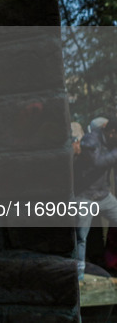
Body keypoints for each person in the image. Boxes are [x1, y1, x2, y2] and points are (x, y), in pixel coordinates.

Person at [74, 117, 117, 280]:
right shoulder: (91, 139)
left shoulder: (112, 143)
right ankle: (78, 274)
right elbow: (97, 162)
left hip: (103, 196)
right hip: (85, 196)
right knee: (81, 236)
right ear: (112, 133)